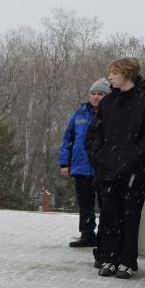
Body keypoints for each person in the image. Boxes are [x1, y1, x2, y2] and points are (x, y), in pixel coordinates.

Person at [85, 58, 145, 278]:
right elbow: (96, 135)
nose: (110, 77)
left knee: (130, 217)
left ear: (127, 74)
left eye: (114, 73)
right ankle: (109, 258)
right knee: (108, 217)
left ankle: (127, 261)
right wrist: (100, 159)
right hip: (107, 173)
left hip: (134, 175)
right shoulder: (107, 104)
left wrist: (129, 162)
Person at [60, 78, 108, 250]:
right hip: (80, 167)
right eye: (93, 93)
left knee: (105, 204)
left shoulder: (111, 113)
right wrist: (64, 163)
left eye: (100, 94)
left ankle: (104, 236)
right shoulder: (79, 113)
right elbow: (67, 137)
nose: (96, 97)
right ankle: (87, 234)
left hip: (101, 168)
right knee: (85, 203)